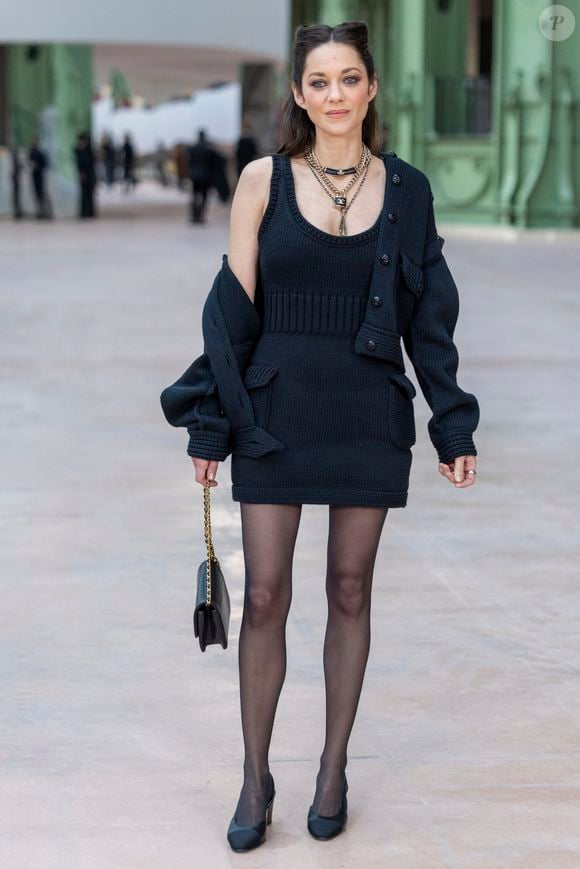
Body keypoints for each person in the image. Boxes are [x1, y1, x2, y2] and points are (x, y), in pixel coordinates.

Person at [160, 21, 480, 851]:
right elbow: (231, 314)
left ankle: (334, 766)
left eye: (349, 78)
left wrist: (452, 423)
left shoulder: (407, 191)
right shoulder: (263, 181)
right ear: (300, 96)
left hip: (367, 411)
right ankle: (255, 774)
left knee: (349, 590)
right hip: (274, 409)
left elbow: (431, 319)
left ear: (372, 88)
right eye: (320, 81)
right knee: (265, 595)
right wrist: (209, 421)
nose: (335, 94)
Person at [186, 128, 215, 223]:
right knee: (204, 197)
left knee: (194, 196)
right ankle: (201, 216)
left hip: (194, 176)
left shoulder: (192, 149)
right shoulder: (208, 150)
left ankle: (194, 216)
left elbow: (188, 162)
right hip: (205, 176)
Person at [73, 132, 97, 218]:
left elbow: (90, 162)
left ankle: (89, 212)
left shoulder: (88, 150)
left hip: (89, 174)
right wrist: (81, 173)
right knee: (84, 194)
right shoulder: (79, 150)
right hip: (83, 174)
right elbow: (79, 161)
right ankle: (84, 212)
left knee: (89, 194)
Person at [28, 137, 52, 219]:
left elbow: (44, 164)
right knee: (38, 194)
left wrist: (38, 167)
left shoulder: (39, 153)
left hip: (39, 176)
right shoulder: (32, 153)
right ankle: (41, 212)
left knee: (42, 194)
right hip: (35, 176)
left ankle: (45, 212)